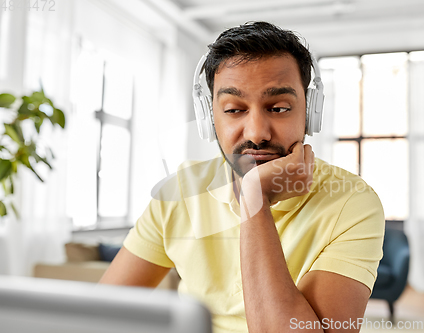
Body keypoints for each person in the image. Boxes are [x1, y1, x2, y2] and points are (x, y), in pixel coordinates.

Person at [100, 22, 385, 333]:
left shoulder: (353, 201)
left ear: (310, 113)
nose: (257, 133)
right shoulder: (181, 191)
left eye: (278, 108)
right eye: (234, 109)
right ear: (209, 119)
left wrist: (255, 198)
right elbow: (102, 313)